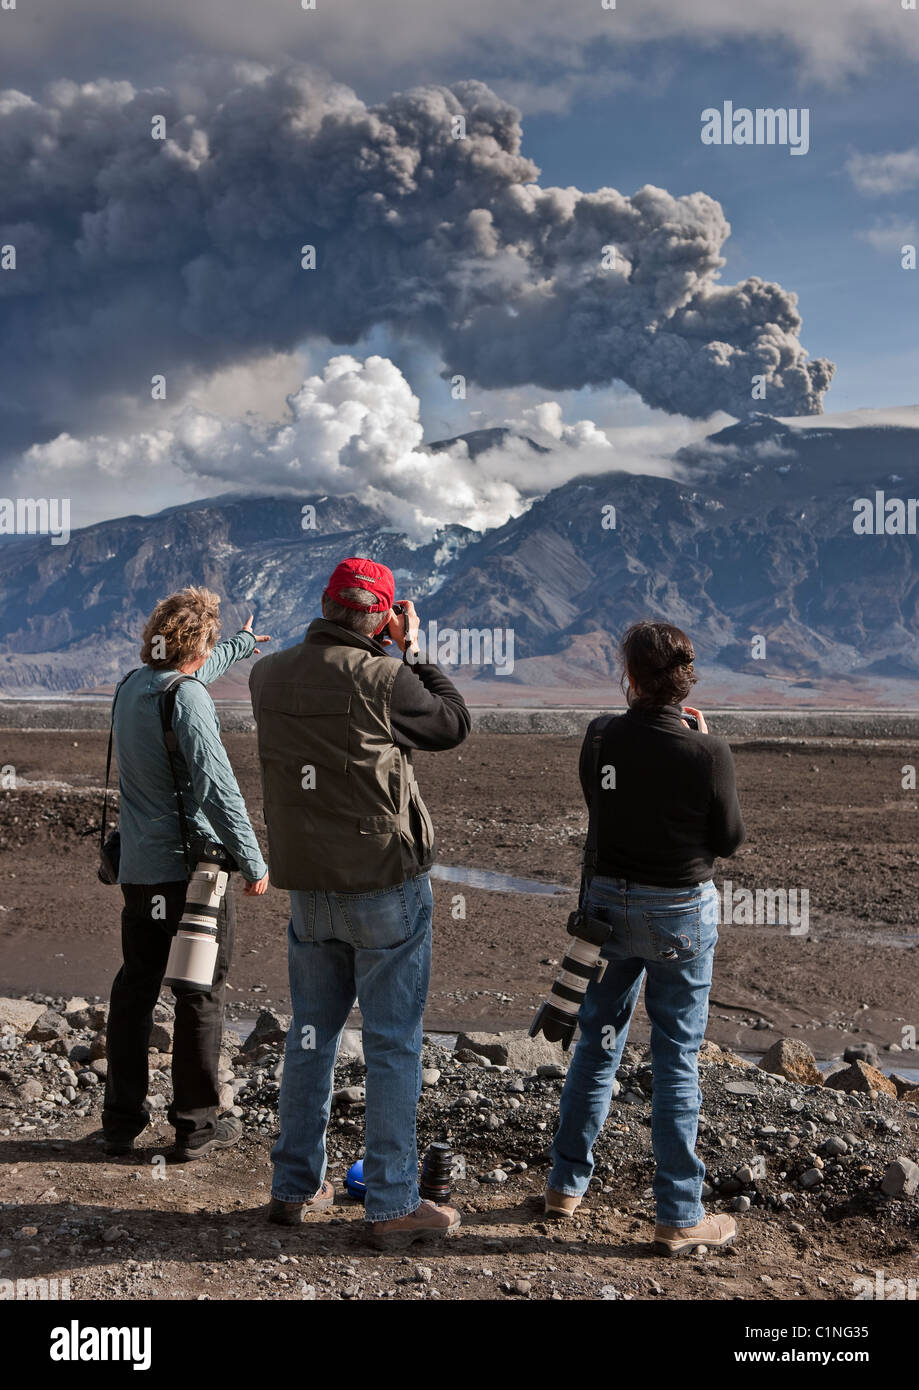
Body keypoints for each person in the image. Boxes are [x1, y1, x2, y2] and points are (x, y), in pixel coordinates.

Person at [249, 557, 470, 1249]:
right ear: (381, 614)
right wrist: (416, 648)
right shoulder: (385, 676)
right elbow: (451, 725)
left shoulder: (266, 674)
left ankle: (294, 1185)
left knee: (310, 1035)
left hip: (308, 888)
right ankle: (392, 1203)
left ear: (323, 603)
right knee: (392, 1043)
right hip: (382, 885)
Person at [544, 621, 746, 1256]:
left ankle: (565, 1187)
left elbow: (600, 811)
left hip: (606, 914)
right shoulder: (706, 753)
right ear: (683, 681)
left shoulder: (600, 736)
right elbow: (727, 841)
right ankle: (678, 1213)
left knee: (597, 1044)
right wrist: (701, 752)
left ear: (629, 677)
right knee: (676, 1057)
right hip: (679, 916)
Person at [101, 587, 270, 1162]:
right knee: (199, 993)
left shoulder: (131, 686)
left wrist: (242, 645)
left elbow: (188, 671)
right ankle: (195, 1127)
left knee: (135, 991)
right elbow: (219, 789)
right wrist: (253, 859)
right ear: (201, 642)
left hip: (139, 872)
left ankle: (120, 1124)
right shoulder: (188, 698)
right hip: (191, 877)